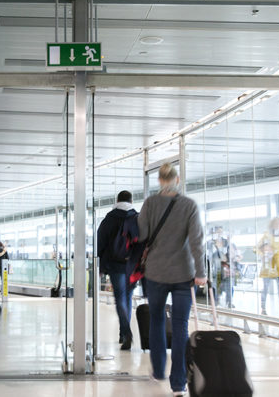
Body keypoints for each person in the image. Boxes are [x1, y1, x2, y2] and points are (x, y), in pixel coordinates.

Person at [138, 164, 205, 397]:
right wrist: (201, 272)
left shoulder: (149, 204)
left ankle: (158, 372)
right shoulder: (189, 205)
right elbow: (197, 241)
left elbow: (143, 235)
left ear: (158, 180)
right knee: (180, 326)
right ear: (177, 179)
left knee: (156, 321)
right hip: (183, 274)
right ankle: (178, 384)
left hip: (156, 273)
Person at [96, 190, 138, 350]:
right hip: (132, 266)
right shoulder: (137, 217)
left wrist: (99, 266)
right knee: (127, 297)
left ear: (117, 200)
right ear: (131, 200)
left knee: (120, 298)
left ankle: (126, 333)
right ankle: (123, 332)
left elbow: (100, 242)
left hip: (115, 265)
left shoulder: (109, 219)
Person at [256, 217, 279, 318]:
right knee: (265, 288)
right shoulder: (267, 236)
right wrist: (263, 254)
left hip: (278, 266)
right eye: (278, 223)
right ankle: (263, 308)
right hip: (268, 266)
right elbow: (256, 248)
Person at [207, 226, 239, 309]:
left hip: (226, 267)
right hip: (216, 268)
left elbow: (230, 253)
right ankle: (216, 303)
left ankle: (229, 302)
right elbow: (209, 256)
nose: (219, 234)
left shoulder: (226, 242)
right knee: (217, 286)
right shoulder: (210, 243)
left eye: (221, 232)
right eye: (218, 232)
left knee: (229, 285)